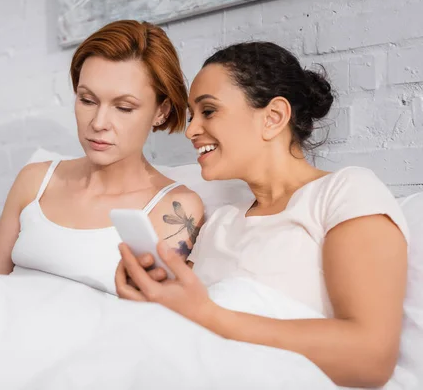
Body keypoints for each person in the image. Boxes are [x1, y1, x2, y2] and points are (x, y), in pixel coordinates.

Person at [115, 41, 409, 388]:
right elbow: (184, 327)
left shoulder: (344, 193)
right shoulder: (221, 223)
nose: (191, 130)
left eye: (208, 111)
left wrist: (211, 316)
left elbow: (371, 358)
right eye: (193, 115)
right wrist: (152, 292)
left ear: (273, 118)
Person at [0, 20, 204, 296]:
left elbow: (151, 319)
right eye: (87, 100)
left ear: (161, 111)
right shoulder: (35, 180)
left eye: (123, 107)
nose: (98, 122)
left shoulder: (175, 208)